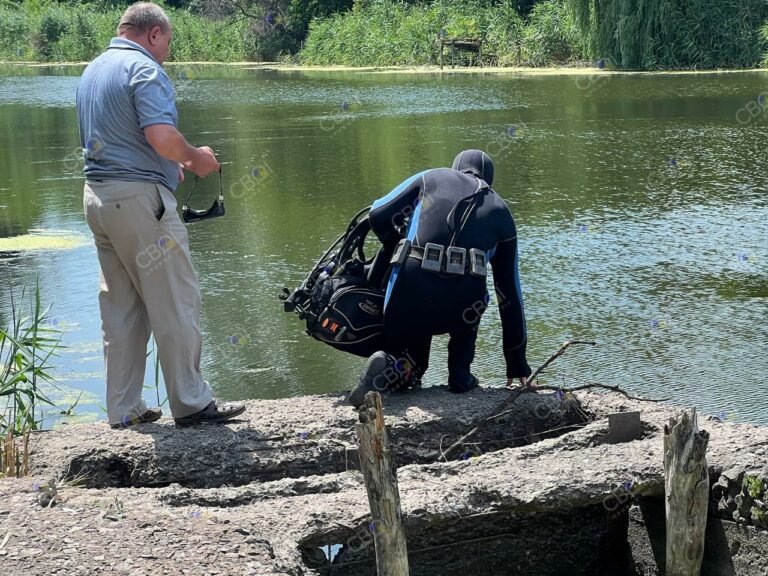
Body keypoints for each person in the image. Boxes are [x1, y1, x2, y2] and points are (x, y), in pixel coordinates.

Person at [77, 2, 245, 428]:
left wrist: (175, 161)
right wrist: (196, 158)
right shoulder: (144, 69)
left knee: (122, 309)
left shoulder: (94, 69)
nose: (167, 52)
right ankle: (191, 403)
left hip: (98, 198)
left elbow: (127, 139)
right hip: (139, 203)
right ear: (153, 35)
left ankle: (124, 410)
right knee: (176, 300)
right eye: (167, 42)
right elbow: (160, 135)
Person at [349, 150, 532, 407]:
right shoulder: (502, 212)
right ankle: (460, 376)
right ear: (490, 178)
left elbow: (377, 215)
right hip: (461, 309)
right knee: (475, 298)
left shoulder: (431, 177)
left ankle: (392, 364)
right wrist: (517, 363)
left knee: (411, 364)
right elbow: (509, 295)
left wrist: (395, 242)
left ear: (456, 167)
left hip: (409, 292)